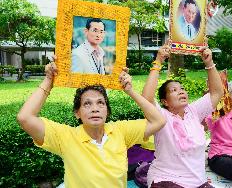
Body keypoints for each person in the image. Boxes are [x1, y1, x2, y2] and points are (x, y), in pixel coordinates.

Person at [17, 62, 166, 188]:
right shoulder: (66, 136)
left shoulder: (120, 131)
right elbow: (25, 118)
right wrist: (48, 81)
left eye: (100, 103)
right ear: (77, 113)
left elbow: (158, 121)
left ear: (107, 111)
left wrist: (130, 91)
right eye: (87, 104)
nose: (95, 108)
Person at [142, 42, 224, 187]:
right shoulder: (161, 116)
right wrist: (159, 61)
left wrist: (209, 63)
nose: (181, 91)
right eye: (174, 90)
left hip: (197, 182)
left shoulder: (193, 112)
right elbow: (146, 99)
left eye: (182, 89)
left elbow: (217, 92)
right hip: (166, 179)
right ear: (165, 102)